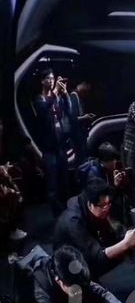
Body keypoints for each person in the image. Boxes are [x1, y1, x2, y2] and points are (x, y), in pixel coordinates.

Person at [54, 179, 135, 279]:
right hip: (69, 265)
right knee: (119, 250)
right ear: (90, 205)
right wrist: (126, 244)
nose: (107, 208)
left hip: (83, 248)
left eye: (109, 204)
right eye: (103, 206)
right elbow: (97, 256)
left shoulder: (87, 199)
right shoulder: (74, 223)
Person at [31, 69, 72, 216]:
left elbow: (69, 110)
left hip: (61, 146)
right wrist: (55, 92)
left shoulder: (56, 98)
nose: (51, 81)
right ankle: (57, 215)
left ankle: (67, 211)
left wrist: (65, 93)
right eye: (48, 78)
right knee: (53, 185)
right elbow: (43, 111)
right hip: (49, 149)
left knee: (64, 181)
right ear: (42, 81)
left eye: (52, 78)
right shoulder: (39, 99)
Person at [68, 81, 95, 166]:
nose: (87, 95)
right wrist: (85, 117)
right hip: (76, 135)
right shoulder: (73, 97)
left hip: (80, 135)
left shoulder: (79, 98)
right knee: (80, 159)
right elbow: (72, 118)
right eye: (86, 92)